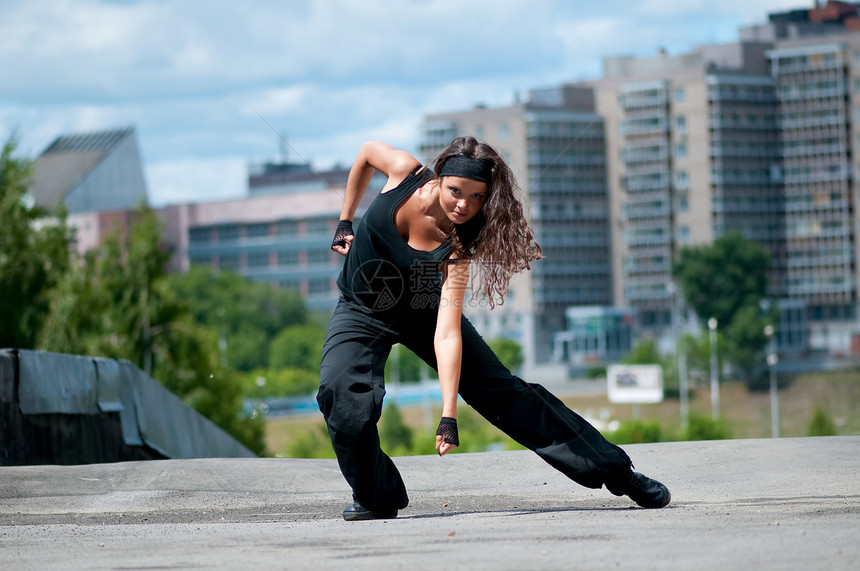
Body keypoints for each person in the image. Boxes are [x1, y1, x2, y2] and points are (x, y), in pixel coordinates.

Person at [317, 136, 670, 521]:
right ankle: (377, 495)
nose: (463, 205)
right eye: (456, 191)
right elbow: (367, 152)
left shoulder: (457, 246)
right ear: (438, 177)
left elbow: (447, 333)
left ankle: (618, 473)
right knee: (339, 395)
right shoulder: (403, 172)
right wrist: (344, 220)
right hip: (362, 309)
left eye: (477, 197)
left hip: (423, 310)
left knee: (505, 395)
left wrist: (448, 414)